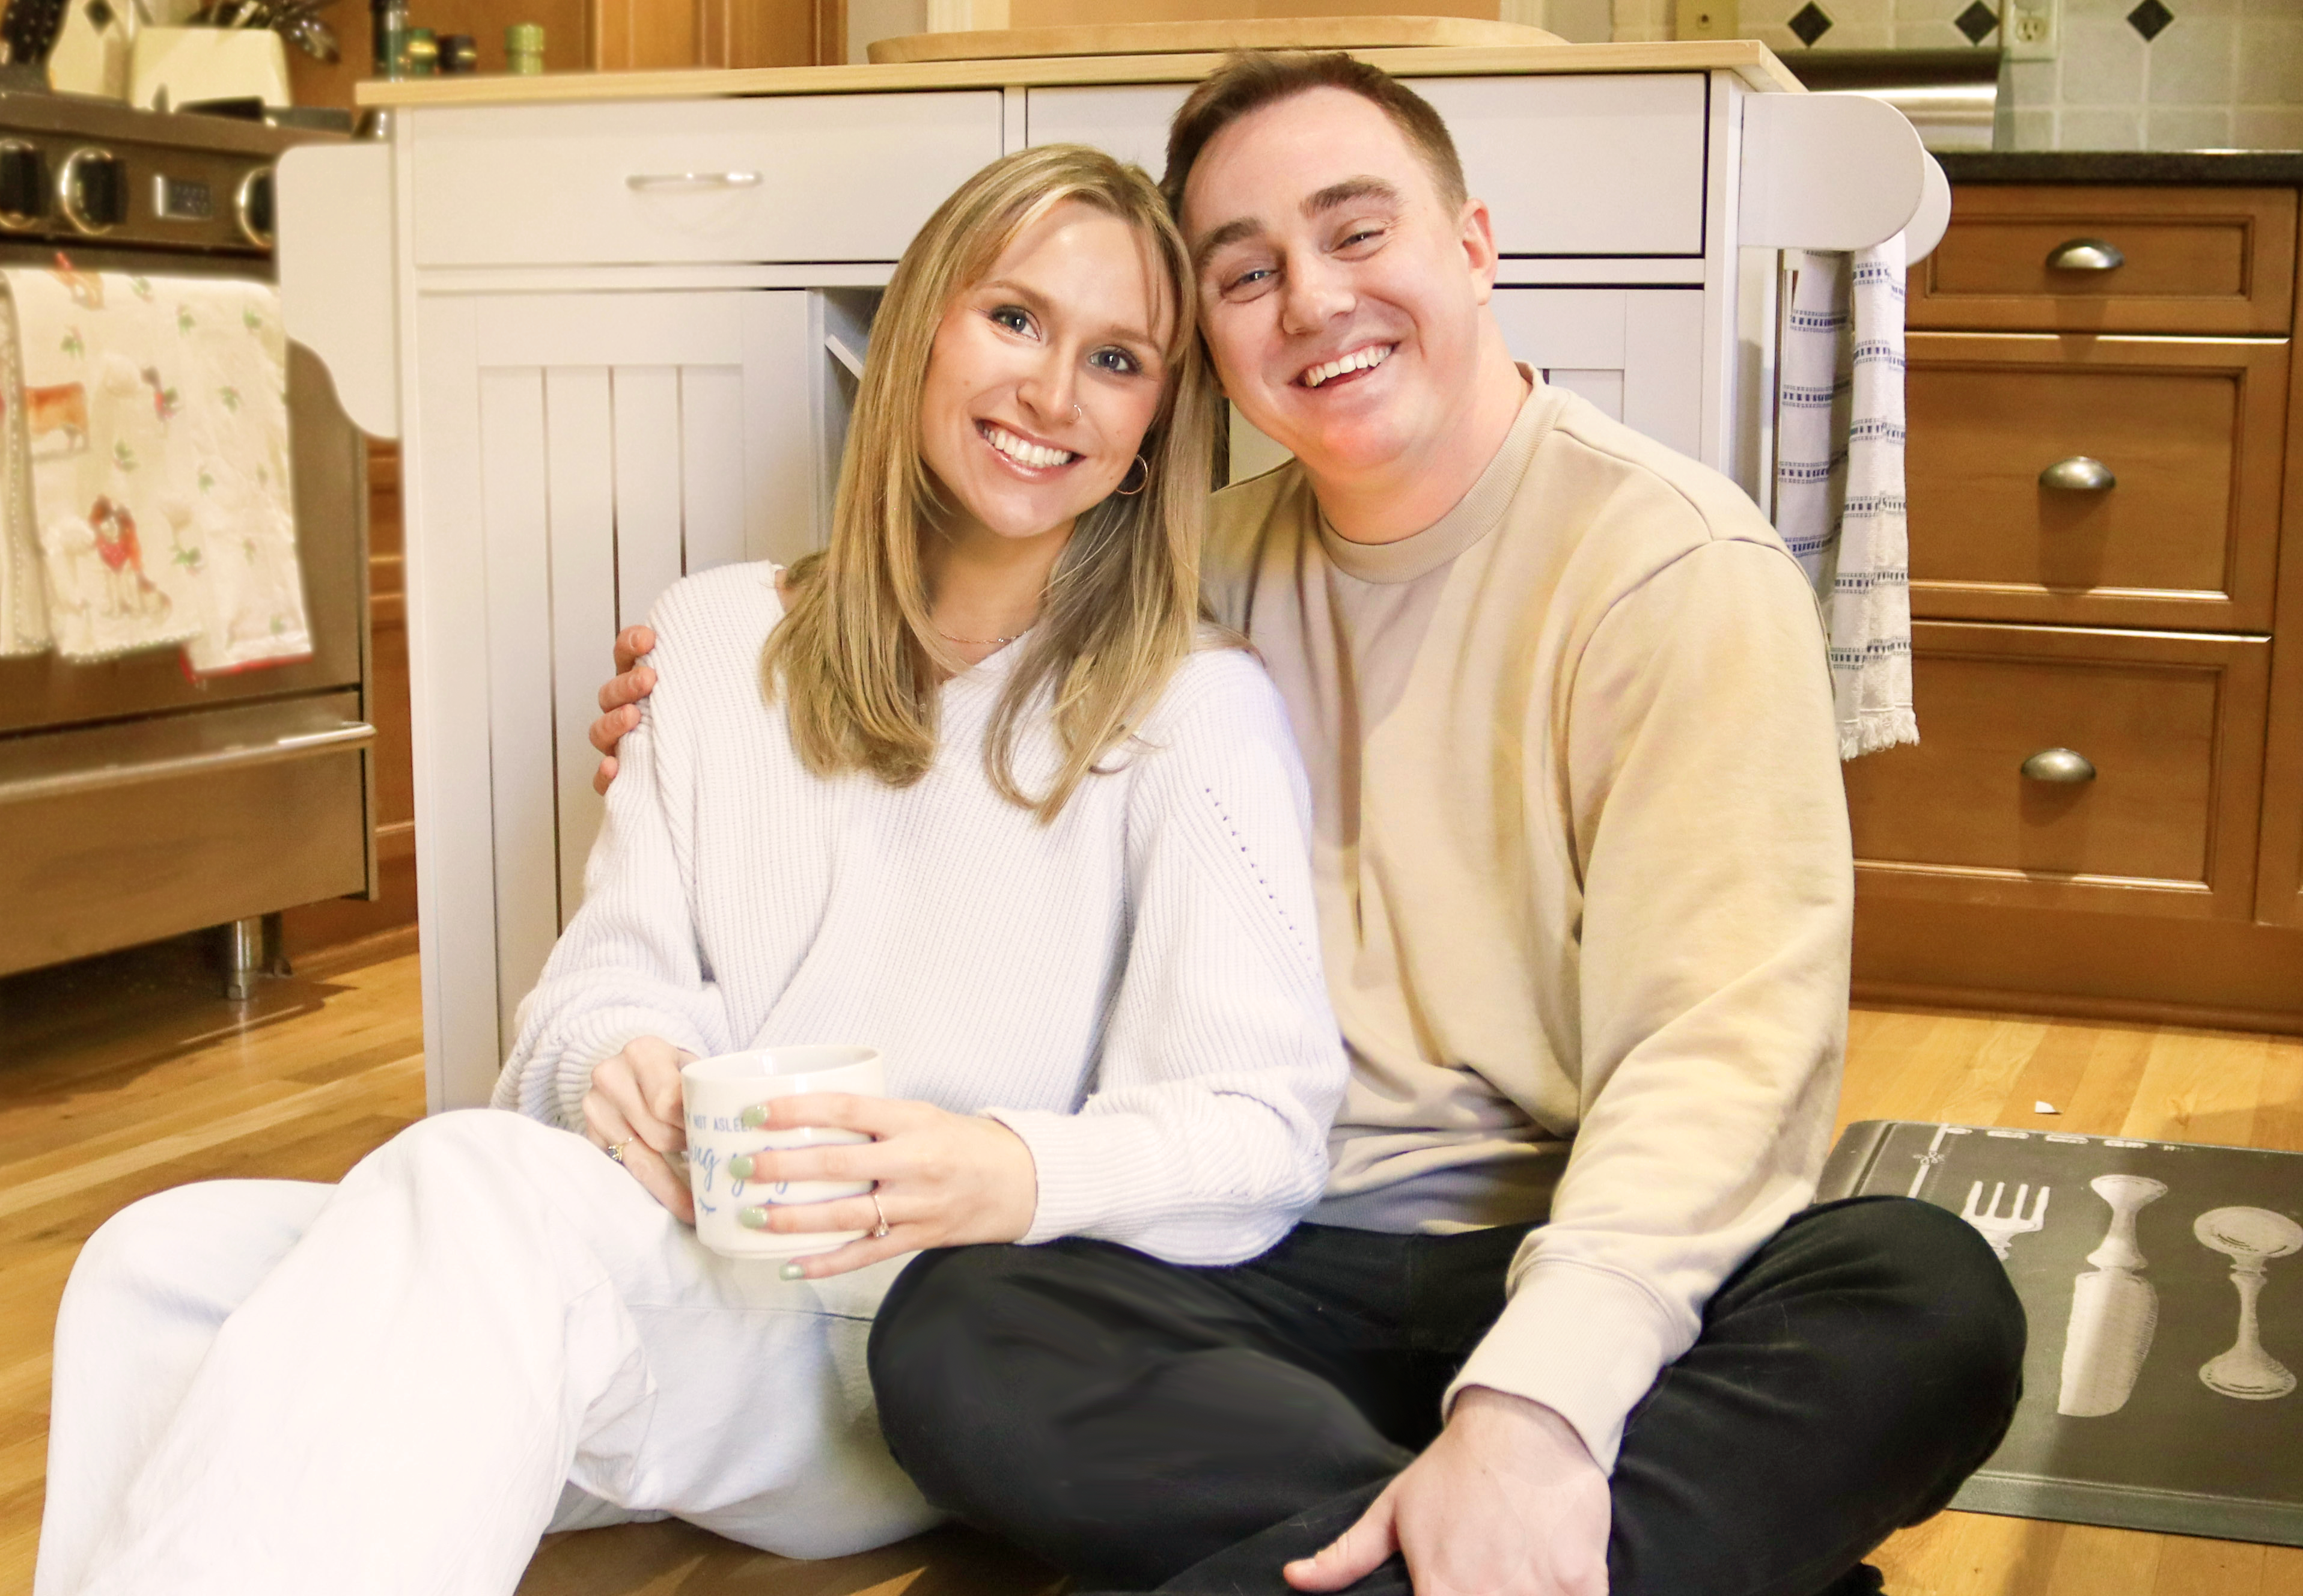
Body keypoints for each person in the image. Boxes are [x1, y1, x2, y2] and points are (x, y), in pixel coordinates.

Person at [593, 52, 2027, 1596]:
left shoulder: (1673, 572)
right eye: (1247, 272)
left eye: (1357, 235)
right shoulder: (1174, 579)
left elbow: (1725, 1058)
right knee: (961, 1328)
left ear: (1470, 245)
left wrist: (1534, 1394)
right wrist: (705, 689)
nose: (1312, 302)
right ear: (1208, 342)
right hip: (1260, 1263)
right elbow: (936, 648)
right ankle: (1563, 1553)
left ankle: (1460, 1517)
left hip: (1574, 1239)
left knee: (1922, 1293)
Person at [34, 144, 1349, 1596]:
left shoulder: (1187, 710)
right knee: (163, 1260)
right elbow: (595, 992)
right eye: (1014, 319)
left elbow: (1258, 1134)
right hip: (683, 1273)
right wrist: (620, 1061)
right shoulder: (718, 639)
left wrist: (1000, 1168)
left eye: (1115, 358)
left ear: (1157, 422)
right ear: (916, 328)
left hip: (917, 1353)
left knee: (472, 1192)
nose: (1051, 394)